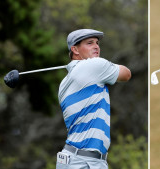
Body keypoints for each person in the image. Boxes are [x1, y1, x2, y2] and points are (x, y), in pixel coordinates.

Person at [56, 29, 131, 169]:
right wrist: (108, 65)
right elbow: (126, 74)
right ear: (75, 50)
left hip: (73, 159)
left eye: (97, 43)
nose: (96, 46)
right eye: (89, 43)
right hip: (84, 161)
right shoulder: (93, 66)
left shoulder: (64, 82)